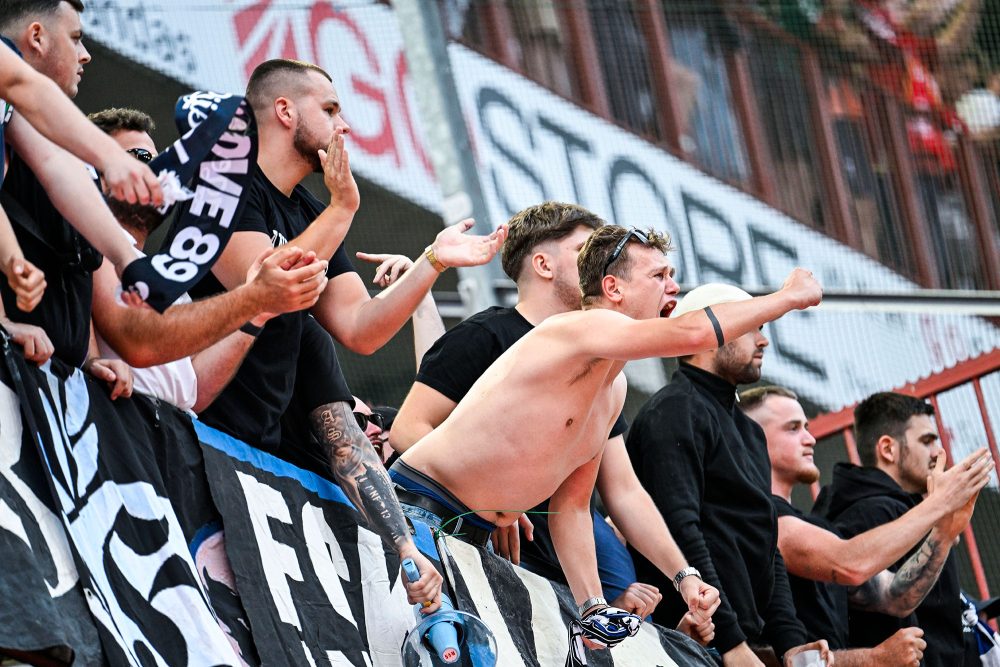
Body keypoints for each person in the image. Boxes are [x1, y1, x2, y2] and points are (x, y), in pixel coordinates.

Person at [392, 225, 822, 651]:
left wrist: (595, 606)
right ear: (613, 287)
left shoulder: (613, 388)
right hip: (416, 512)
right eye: (659, 276)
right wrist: (784, 298)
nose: (672, 288)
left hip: (474, 536)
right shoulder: (575, 330)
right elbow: (691, 333)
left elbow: (573, 506)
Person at [190, 58, 505, 611]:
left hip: (257, 461)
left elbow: (360, 329)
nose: (345, 126)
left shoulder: (314, 211)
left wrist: (431, 263)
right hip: (192, 435)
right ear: (285, 110)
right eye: (331, 109)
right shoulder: (225, 180)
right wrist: (343, 207)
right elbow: (265, 286)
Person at [393, 202, 694, 629]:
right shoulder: (486, 334)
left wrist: (684, 576)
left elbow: (620, 491)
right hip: (443, 526)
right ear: (543, 264)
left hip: (533, 569)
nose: (599, 259)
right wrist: (489, 492)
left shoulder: (607, 371)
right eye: (585, 248)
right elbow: (408, 428)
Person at [626, 283, 833, 667]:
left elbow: (766, 544)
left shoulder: (749, 432)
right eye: (751, 326)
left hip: (738, 645)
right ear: (709, 335)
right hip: (689, 640)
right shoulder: (672, 412)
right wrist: (731, 643)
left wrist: (791, 643)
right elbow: (679, 528)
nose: (763, 340)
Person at [84, 107, 328, 412]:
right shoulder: (88, 239)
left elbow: (195, 391)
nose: (157, 172)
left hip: (176, 436)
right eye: (142, 158)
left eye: (159, 161)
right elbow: (138, 340)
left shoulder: (168, 282)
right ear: (93, 169)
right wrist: (252, 296)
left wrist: (258, 313)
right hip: (119, 416)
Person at [741, 385, 992, 667]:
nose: (810, 439)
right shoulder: (761, 520)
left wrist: (944, 533)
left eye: (807, 427)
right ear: (751, 439)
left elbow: (895, 595)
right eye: (793, 428)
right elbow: (849, 563)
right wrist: (939, 504)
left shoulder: (814, 526)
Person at [0, 0, 165, 370]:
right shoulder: (13, 78)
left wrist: (125, 260)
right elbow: (25, 84)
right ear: (37, 37)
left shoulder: (12, 109)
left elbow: (55, 165)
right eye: (75, 38)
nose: (86, 55)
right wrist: (112, 156)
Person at [814, 392, 986, 667]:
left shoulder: (909, 510)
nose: (937, 452)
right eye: (926, 441)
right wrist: (941, 530)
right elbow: (893, 600)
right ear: (888, 449)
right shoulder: (870, 512)